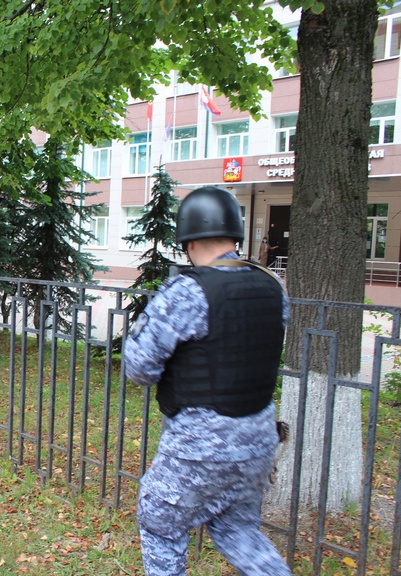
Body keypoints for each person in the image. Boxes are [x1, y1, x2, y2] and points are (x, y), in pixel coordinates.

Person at [125, 186, 291, 576]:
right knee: (238, 530)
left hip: (202, 446)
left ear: (188, 240)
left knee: (159, 521)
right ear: (235, 234)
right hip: (258, 440)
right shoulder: (272, 286)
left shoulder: (187, 291)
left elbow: (138, 368)